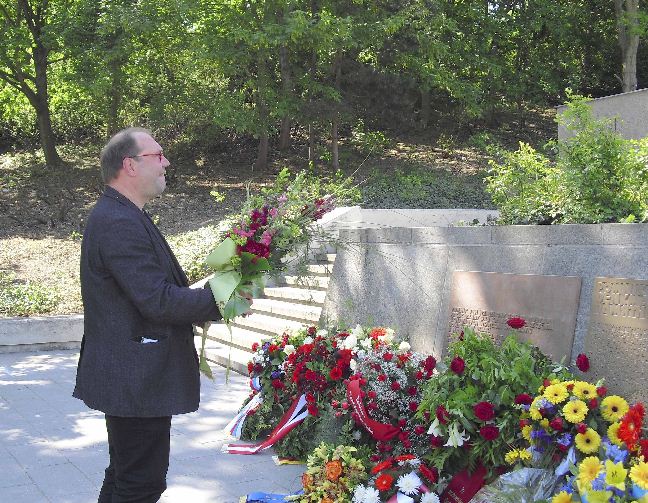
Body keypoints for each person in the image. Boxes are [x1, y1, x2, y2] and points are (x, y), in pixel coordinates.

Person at [73, 127, 235, 502]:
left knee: (126, 476)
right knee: (140, 483)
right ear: (129, 165)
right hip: (135, 379)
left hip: (132, 378)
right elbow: (157, 301)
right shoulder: (118, 220)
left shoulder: (123, 214)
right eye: (157, 156)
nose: (166, 163)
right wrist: (221, 299)